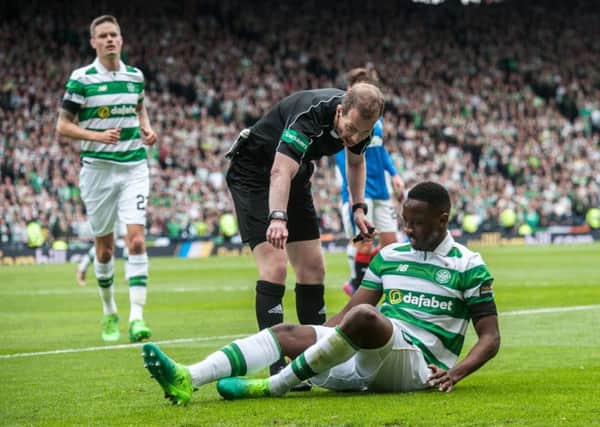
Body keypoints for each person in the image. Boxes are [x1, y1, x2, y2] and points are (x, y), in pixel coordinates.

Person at [141, 181, 500, 405]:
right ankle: (189, 377)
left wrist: (456, 373)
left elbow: (490, 337)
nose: (408, 230)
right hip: (372, 349)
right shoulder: (390, 256)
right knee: (288, 333)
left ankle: (272, 387)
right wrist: (318, 336)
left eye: (417, 223)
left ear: (443, 219)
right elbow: (349, 313)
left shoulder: (468, 265)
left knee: (366, 319)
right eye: (405, 221)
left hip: (417, 365)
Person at [224, 83, 384, 377]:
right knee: (275, 266)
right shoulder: (310, 115)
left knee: (313, 269)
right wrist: (277, 218)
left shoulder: (361, 125)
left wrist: (359, 207)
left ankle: (316, 360)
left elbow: (356, 162)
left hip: (295, 175)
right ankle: (276, 363)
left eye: (363, 132)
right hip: (254, 174)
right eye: (350, 128)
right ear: (339, 111)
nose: (354, 137)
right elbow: (278, 170)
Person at [56, 15, 157, 343]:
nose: (110, 39)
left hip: (133, 167)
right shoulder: (81, 79)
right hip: (98, 170)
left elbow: (139, 108)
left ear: (122, 40)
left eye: (114, 34)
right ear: (94, 42)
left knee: (137, 240)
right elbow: (63, 126)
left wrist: (147, 126)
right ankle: (110, 311)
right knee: (103, 250)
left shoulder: (135, 76)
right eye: (103, 35)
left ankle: (137, 318)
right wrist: (97, 136)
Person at [335, 68, 405, 297]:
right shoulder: (344, 116)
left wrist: (394, 174)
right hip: (361, 191)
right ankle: (358, 287)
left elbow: (380, 149)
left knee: (391, 243)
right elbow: (342, 153)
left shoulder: (376, 118)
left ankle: (381, 287)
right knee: (363, 241)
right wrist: (351, 188)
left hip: (381, 189)